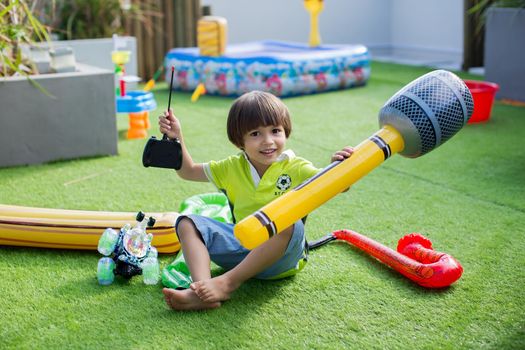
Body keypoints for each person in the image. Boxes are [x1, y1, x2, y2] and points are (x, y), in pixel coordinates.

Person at [159, 91, 354, 310]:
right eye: (255, 134)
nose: (268, 141)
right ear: (239, 141)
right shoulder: (231, 167)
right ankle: (202, 292)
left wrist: (338, 166)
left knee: (285, 218)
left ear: (285, 132)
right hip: (242, 249)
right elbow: (188, 171)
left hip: (282, 259)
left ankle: (226, 283)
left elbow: (337, 185)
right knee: (187, 222)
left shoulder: (297, 167)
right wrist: (177, 136)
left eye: (275, 131)